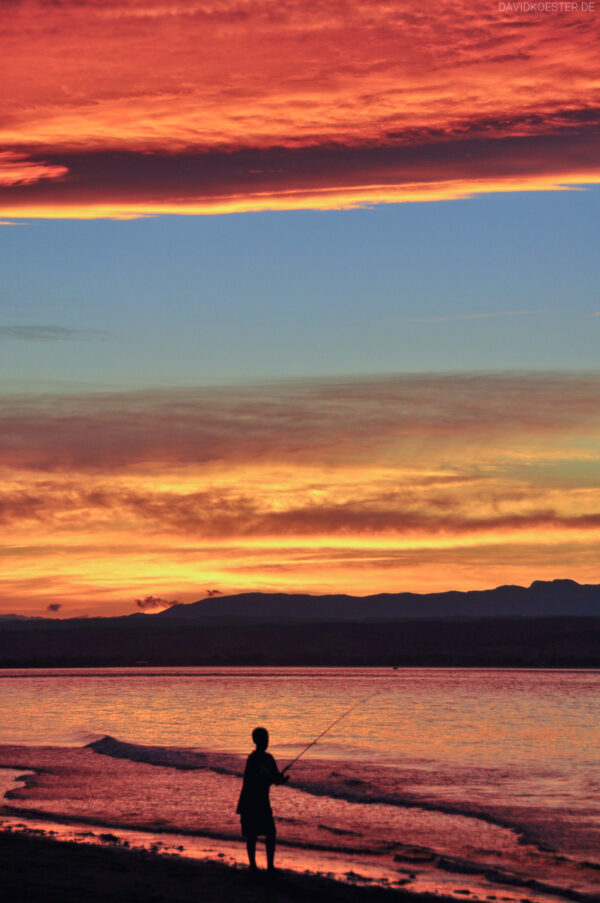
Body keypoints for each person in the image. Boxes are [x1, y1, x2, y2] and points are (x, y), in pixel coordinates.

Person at [236, 726, 289, 872]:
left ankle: (270, 866)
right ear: (256, 741)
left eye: (267, 739)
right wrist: (272, 779)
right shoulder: (252, 759)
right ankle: (253, 865)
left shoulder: (269, 758)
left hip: (263, 801)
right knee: (252, 835)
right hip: (250, 800)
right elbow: (253, 780)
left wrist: (281, 780)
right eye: (264, 739)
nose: (266, 742)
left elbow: (275, 778)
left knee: (270, 832)